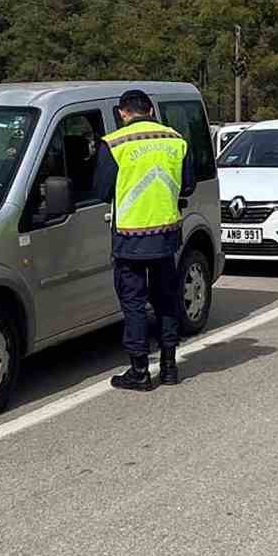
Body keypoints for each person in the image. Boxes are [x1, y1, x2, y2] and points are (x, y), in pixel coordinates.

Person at [93, 89, 197, 391]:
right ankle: (169, 367)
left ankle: (139, 371)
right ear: (150, 109)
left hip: (129, 238)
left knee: (134, 303)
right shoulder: (176, 140)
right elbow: (188, 185)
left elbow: (101, 191)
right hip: (166, 235)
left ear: (123, 113)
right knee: (166, 301)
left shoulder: (114, 143)